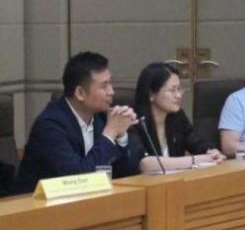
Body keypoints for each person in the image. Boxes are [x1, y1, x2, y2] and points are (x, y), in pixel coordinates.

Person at [12, 51, 139, 194]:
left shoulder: (102, 118)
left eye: (110, 84)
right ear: (80, 93)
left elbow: (126, 175)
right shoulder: (49, 126)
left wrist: (121, 135)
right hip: (35, 204)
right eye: (104, 86)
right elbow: (78, 178)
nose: (111, 92)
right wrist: (110, 133)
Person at [129, 62, 225, 173]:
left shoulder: (177, 116)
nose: (178, 95)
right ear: (151, 94)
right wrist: (195, 160)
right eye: (172, 90)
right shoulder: (134, 121)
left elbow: (196, 142)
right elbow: (145, 164)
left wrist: (211, 152)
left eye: (179, 89)